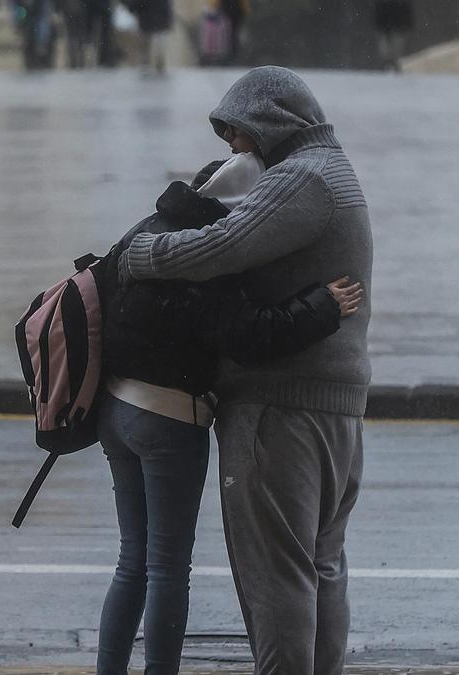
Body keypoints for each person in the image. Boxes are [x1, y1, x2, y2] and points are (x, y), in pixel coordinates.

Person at [117, 66, 373, 675]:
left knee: (278, 577)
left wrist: (143, 253)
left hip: (280, 410)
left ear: (270, 123)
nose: (233, 148)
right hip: (335, 406)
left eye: (237, 132)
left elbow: (223, 244)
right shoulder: (338, 172)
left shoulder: (301, 179)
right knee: (321, 566)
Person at [126, 0, 171, 74]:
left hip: (147, 19)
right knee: (157, 42)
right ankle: (157, 62)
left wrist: (132, 8)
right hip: (157, 19)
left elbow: (135, 4)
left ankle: (147, 62)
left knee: (147, 43)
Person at [374, 0, 414, 71]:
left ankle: (393, 66)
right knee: (386, 50)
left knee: (395, 51)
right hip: (387, 30)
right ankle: (387, 65)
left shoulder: (402, 3)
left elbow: (407, 14)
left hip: (397, 30)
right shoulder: (383, 4)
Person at [85, 0, 118, 67]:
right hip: (100, 8)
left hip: (94, 8)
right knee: (104, 36)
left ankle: (99, 59)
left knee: (101, 36)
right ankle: (102, 59)